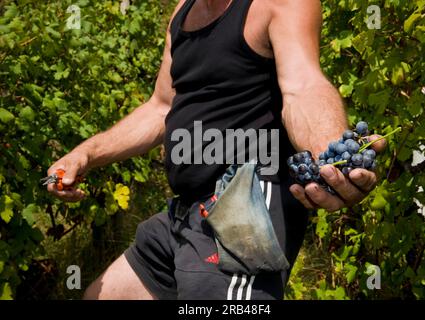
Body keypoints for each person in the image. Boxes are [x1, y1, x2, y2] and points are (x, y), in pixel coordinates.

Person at [47, 0, 386, 300]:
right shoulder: (182, 12)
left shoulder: (275, 3)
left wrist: (331, 154)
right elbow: (160, 108)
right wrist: (86, 154)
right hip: (186, 211)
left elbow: (303, 86)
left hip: (244, 205)